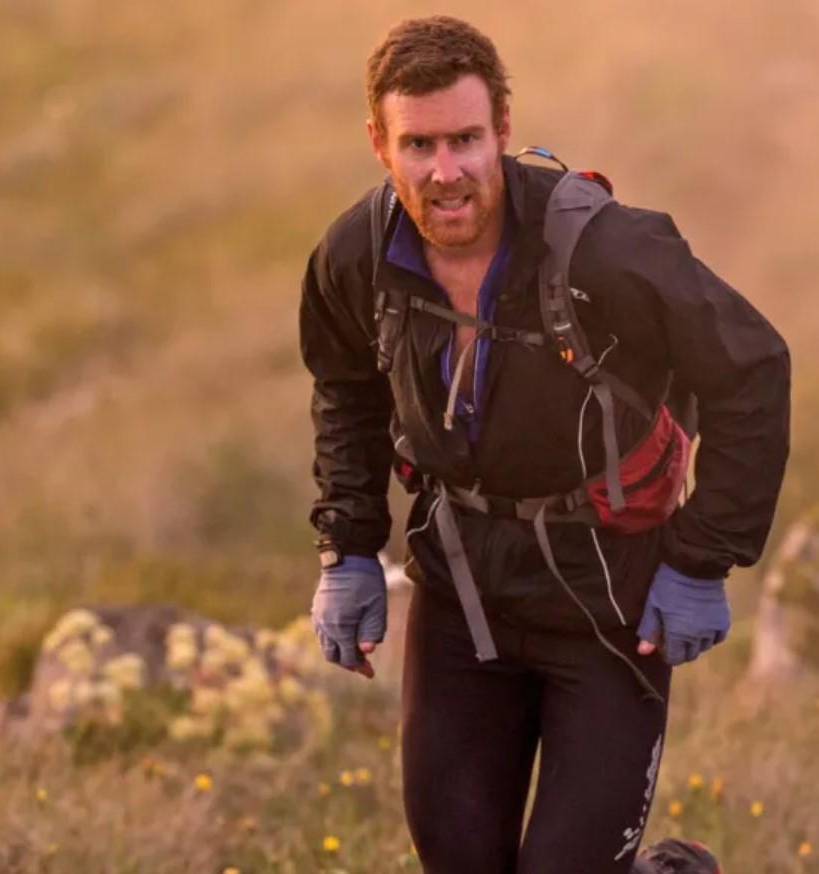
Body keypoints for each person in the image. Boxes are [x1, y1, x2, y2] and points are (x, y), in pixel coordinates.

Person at [299, 15, 789, 874]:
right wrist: (348, 547)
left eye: (465, 139)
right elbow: (344, 386)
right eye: (418, 145)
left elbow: (751, 367)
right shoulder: (357, 257)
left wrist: (703, 557)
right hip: (463, 596)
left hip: (606, 609)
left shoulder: (607, 252)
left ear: (504, 131)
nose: (445, 172)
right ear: (379, 143)